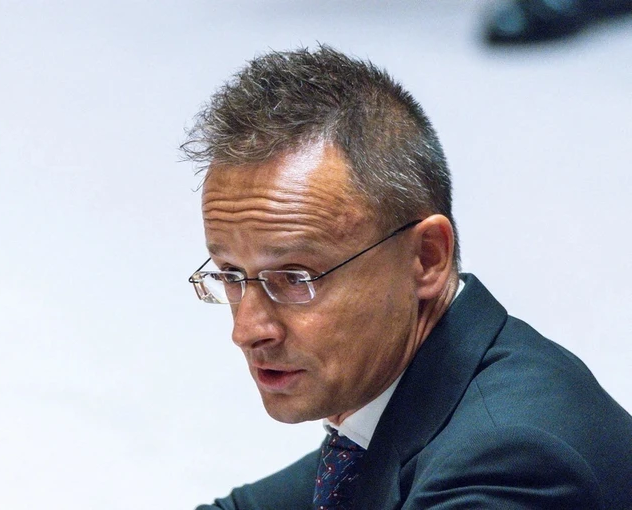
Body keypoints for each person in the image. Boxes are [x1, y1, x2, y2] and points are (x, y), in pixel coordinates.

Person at [182, 45, 632, 509]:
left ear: (427, 258)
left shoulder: (508, 463)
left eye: (295, 278)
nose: (246, 331)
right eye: (231, 274)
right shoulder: (397, 408)